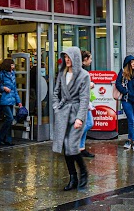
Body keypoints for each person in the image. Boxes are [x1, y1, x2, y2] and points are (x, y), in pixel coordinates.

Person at [52, 47, 90, 191]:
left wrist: (80, 118)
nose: (67, 60)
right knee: (65, 147)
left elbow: (84, 99)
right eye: (65, 57)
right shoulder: (62, 73)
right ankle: (73, 177)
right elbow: (56, 92)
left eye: (69, 57)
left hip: (76, 114)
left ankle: (83, 171)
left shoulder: (84, 76)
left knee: (71, 145)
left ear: (75, 58)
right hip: (63, 113)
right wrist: (56, 107)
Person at [115, 55, 134, 150]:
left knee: (132, 121)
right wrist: (126, 91)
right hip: (127, 100)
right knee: (131, 120)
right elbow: (118, 84)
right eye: (132, 62)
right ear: (128, 64)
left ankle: (128, 140)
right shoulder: (123, 73)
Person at [0, 58, 22, 146]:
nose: (14, 66)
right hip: (4, 100)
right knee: (10, 118)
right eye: (12, 64)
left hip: (11, 99)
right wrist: (3, 88)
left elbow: (15, 89)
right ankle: (0, 137)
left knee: (9, 120)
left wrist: (18, 101)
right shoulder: (2, 74)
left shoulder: (12, 74)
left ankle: (7, 140)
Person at [79, 50, 95, 158]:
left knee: (86, 123)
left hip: (84, 101)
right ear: (85, 59)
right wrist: (89, 85)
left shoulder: (82, 70)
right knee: (89, 123)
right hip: (81, 102)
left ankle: (81, 148)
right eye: (90, 58)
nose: (91, 61)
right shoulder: (79, 71)